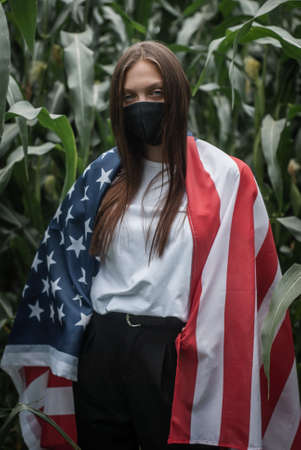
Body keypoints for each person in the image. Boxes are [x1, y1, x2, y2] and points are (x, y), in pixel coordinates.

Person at [1, 41, 301, 450]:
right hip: (103, 348)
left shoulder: (225, 177)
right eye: (130, 97)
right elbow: (62, 262)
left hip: (168, 353)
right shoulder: (103, 177)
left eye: (155, 93)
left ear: (177, 93)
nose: (142, 104)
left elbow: (243, 283)